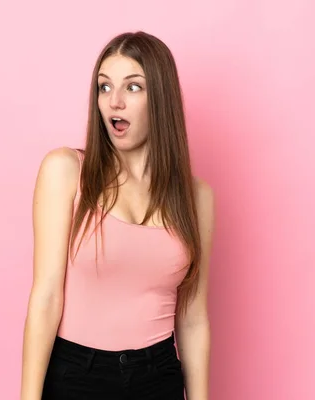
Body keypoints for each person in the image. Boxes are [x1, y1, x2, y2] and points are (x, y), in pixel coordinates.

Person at [20, 31, 215, 400]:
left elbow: (193, 318)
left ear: (161, 98)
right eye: (104, 87)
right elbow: (45, 297)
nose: (115, 102)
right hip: (77, 375)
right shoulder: (65, 171)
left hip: (159, 375)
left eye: (133, 87)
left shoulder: (197, 197)